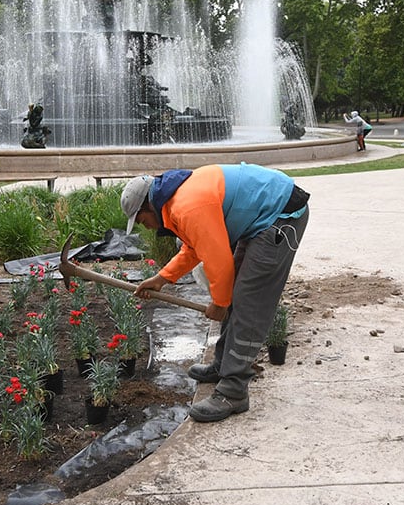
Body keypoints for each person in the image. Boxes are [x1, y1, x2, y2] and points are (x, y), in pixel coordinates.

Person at [119, 163, 309, 422]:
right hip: (261, 219)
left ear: (148, 206)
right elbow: (195, 248)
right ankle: (223, 365)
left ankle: (234, 391)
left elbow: (218, 260)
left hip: (281, 215)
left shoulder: (187, 206)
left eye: (142, 220)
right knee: (236, 295)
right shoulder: (176, 201)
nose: (147, 227)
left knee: (249, 302)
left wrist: (220, 303)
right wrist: (161, 279)